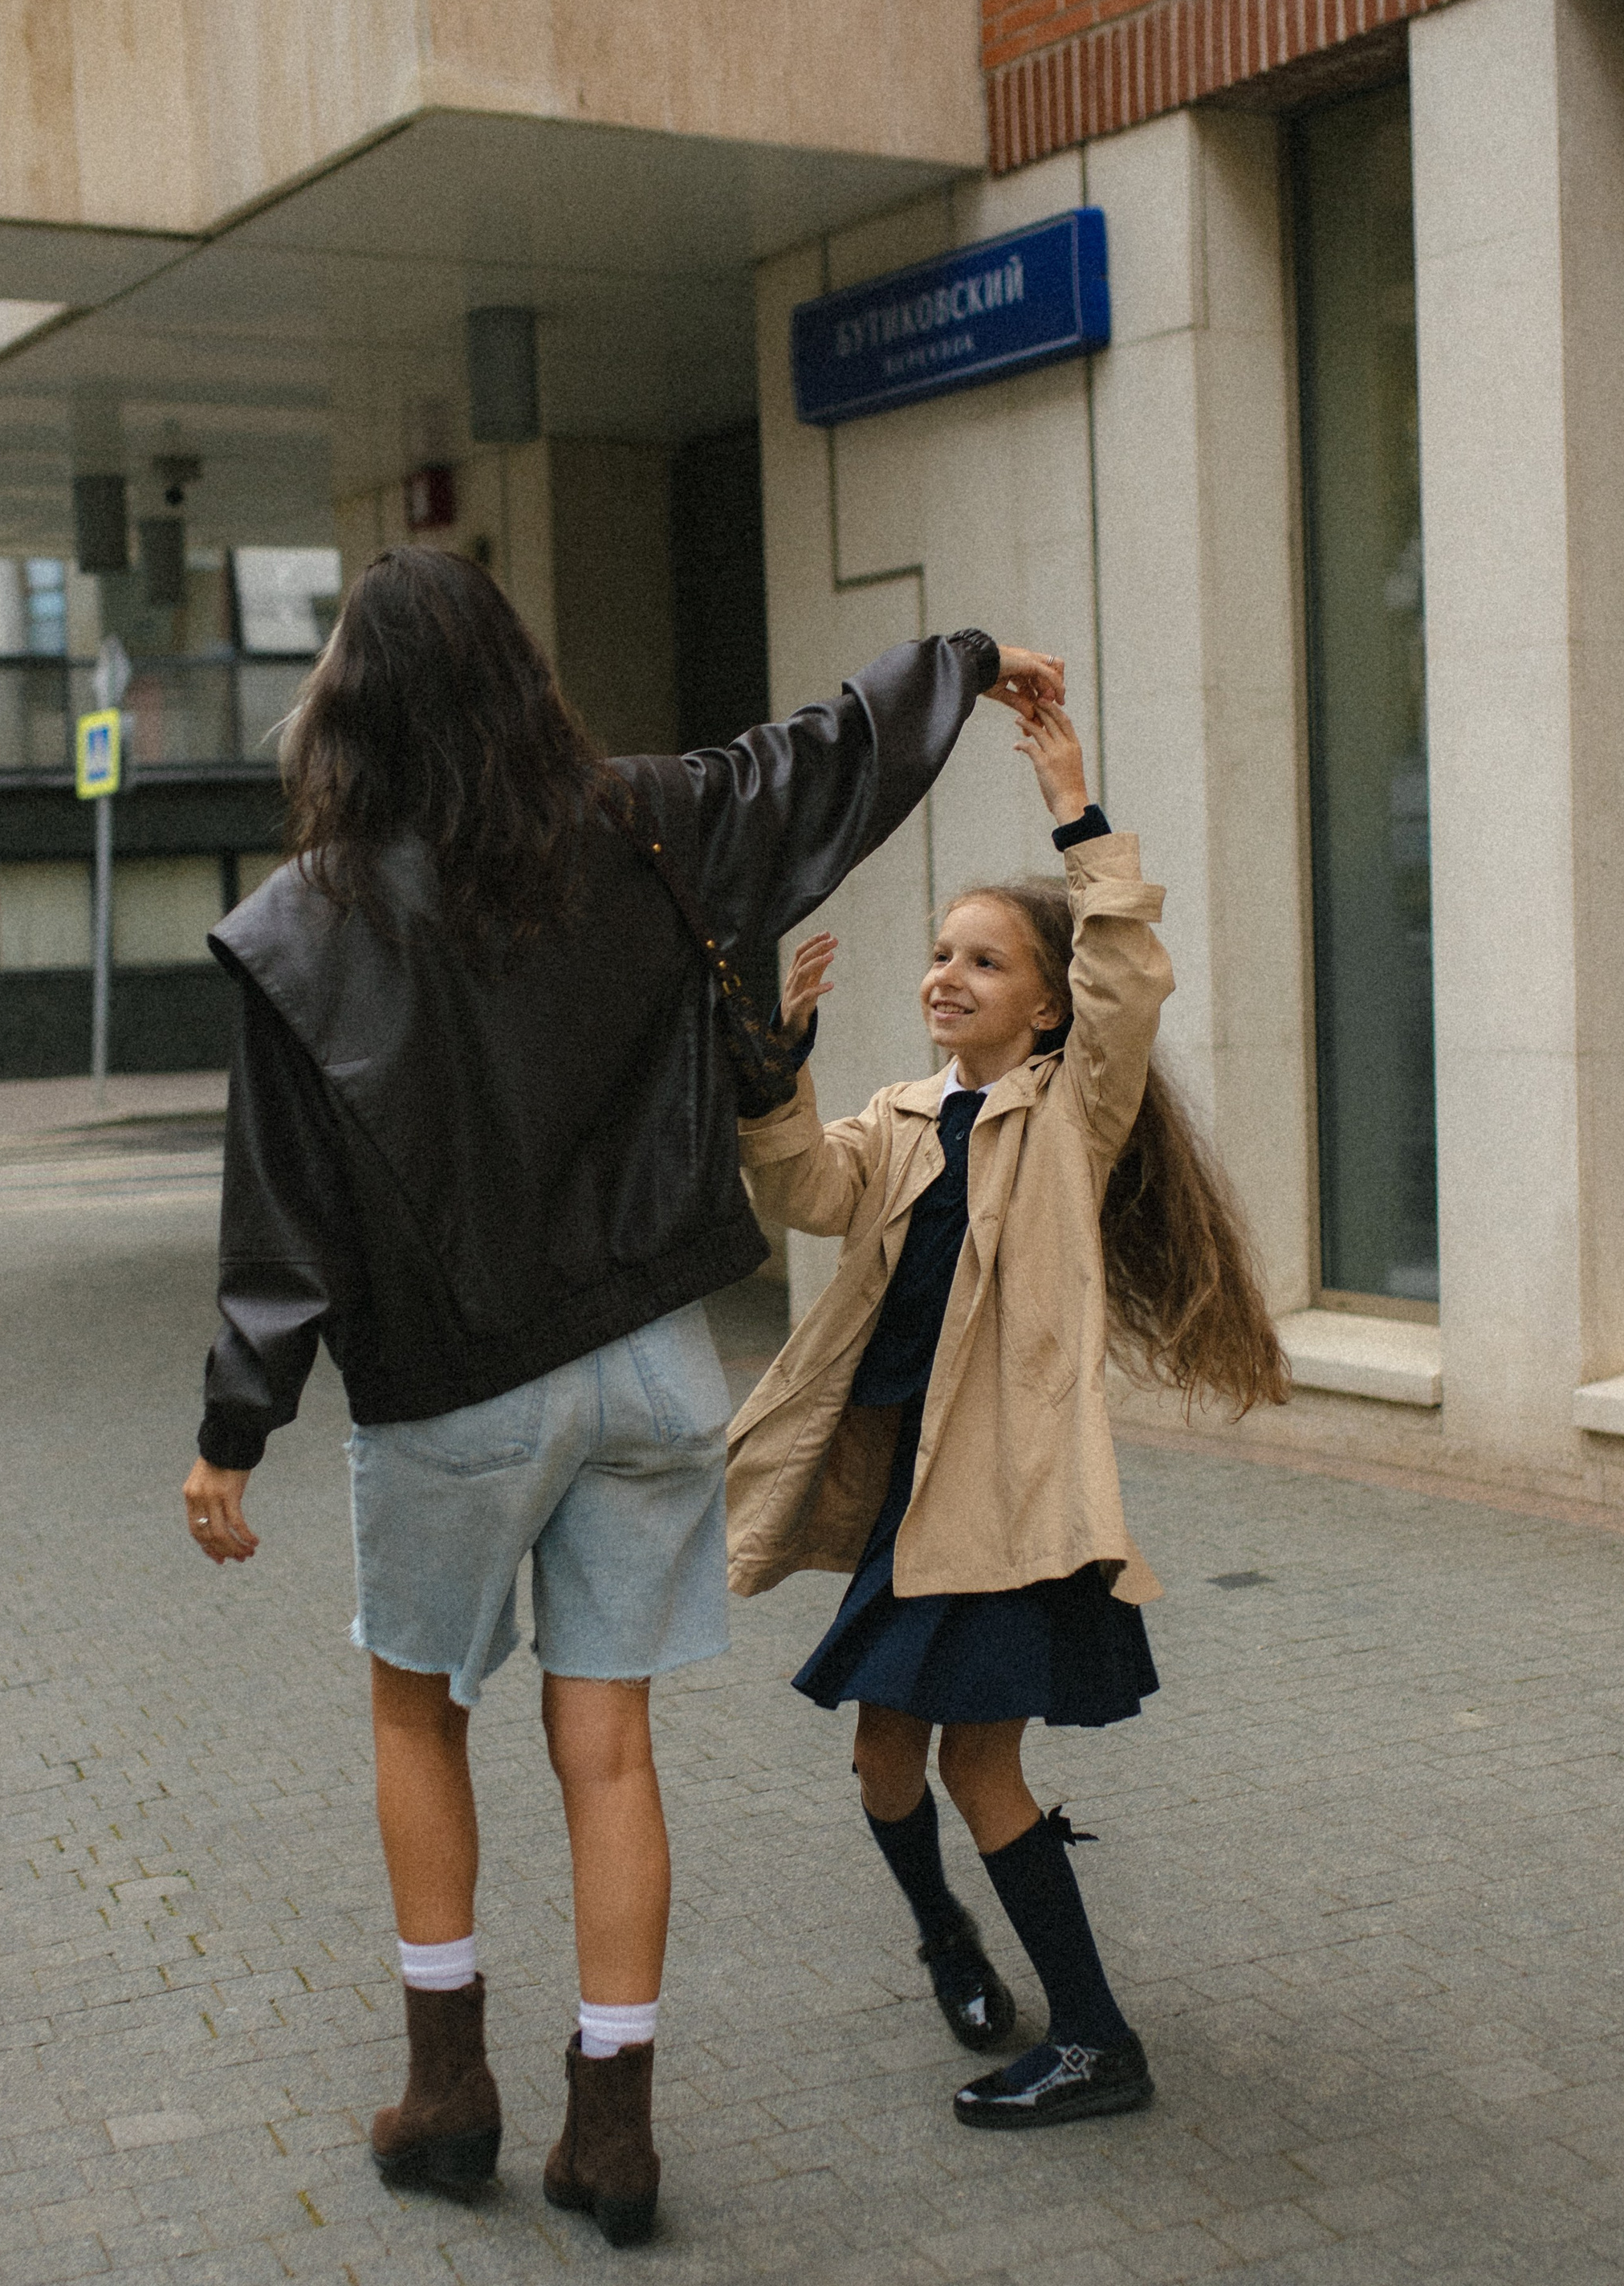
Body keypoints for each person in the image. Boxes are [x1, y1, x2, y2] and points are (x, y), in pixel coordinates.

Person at [179, 544, 1067, 2243]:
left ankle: (448, 2095)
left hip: (454, 1389)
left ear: (346, 709)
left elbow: (280, 1208)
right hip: (656, 1362)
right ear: (519, 679)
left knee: (412, 1706)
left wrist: (237, 1426)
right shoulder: (645, 819)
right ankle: (613, 2133)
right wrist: (961, 659)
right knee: (607, 1742)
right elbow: (822, 755)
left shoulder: (305, 922)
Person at [725, 695, 1288, 2132]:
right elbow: (798, 1189)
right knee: (877, 1755)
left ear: (1045, 1003)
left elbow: (1130, 988)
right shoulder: (903, 1120)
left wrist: (1076, 805)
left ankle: (1098, 2037)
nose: (946, 976)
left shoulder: (1067, 1117)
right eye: (938, 955)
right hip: (905, 1496)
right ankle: (946, 1941)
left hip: (1006, 1495)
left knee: (978, 1758)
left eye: (984, 960)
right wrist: (774, 1068)